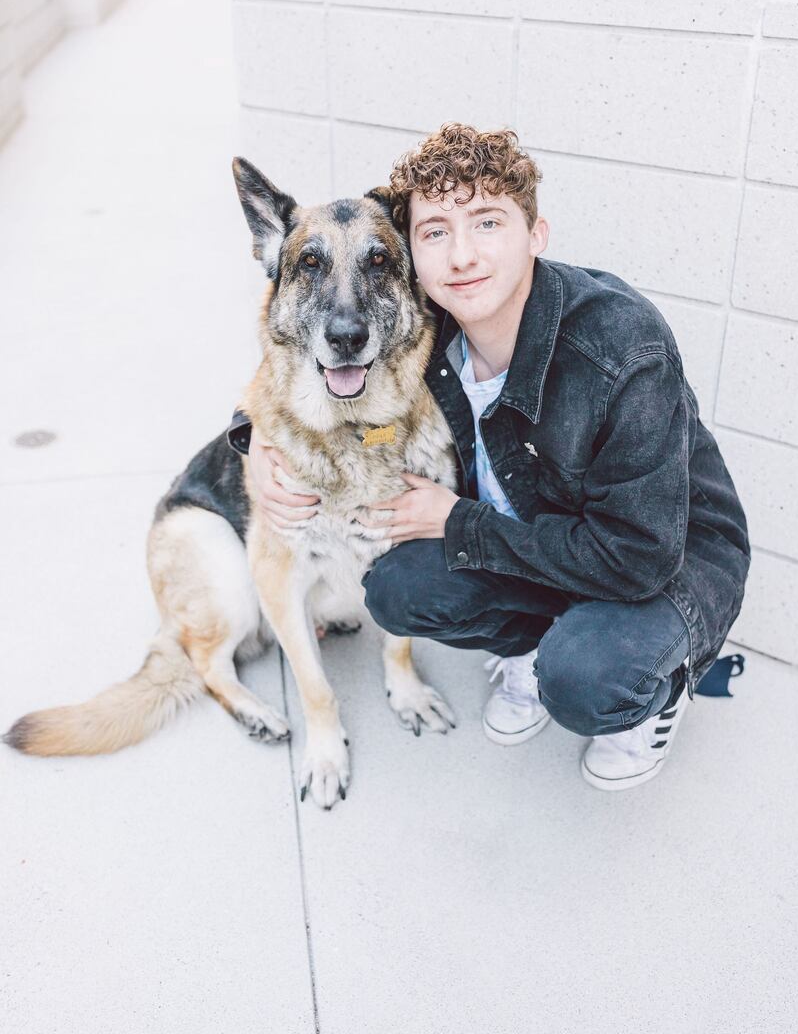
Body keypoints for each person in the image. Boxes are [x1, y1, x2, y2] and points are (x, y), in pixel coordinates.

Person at [228, 122, 750, 791]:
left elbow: (638, 556)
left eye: (487, 223)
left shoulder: (622, 349)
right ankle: (528, 641)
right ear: (415, 255)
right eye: (437, 231)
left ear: (535, 234)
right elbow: (293, 362)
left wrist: (456, 521)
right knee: (397, 587)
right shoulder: (426, 322)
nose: (463, 254)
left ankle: (660, 690)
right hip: (539, 541)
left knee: (586, 676)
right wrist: (256, 440)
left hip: (664, 561)